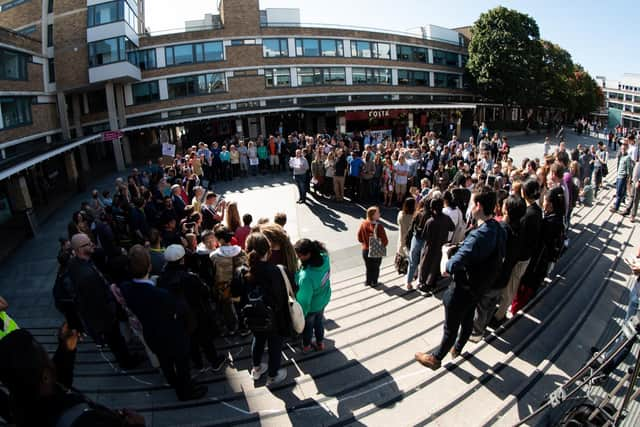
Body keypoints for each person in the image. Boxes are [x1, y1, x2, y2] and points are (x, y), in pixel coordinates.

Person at [415, 187, 506, 369]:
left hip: (462, 288)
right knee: (467, 320)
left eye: (473, 203)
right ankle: (457, 349)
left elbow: (448, 268)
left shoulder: (478, 237)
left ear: (478, 206)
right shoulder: (499, 228)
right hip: (479, 288)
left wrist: (444, 253)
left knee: (451, 326)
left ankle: (436, 357)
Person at [0, 322, 146, 426]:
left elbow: (56, 387)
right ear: (45, 376)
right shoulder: (87, 421)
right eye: (42, 352)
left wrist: (65, 349)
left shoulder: (20, 403)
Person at [119, 245, 207, 401]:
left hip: (152, 334)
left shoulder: (126, 288)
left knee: (165, 362)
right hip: (172, 336)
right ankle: (185, 392)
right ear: (150, 266)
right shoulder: (161, 294)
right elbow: (179, 310)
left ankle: (174, 383)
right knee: (181, 364)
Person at [66, 233, 140, 370]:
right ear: (79, 249)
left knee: (115, 340)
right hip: (104, 316)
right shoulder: (86, 275)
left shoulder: (76, 262)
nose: (92, 244)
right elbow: (97, 301)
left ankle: (125, 358)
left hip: (101, 310)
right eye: (88, 244)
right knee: (116, 340)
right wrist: (112, 310)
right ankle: (127, 362)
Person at [471, 195, 526, 341]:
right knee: (491, 303)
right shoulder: (520, 229)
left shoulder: (501, 229)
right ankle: (483, 326)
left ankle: (476, 332)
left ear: (507, 209)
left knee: (482, 305)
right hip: (505, 275)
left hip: (492, 276)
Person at [244, 232, 292, 386]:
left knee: (257, 340)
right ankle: (273, 375)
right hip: (273, 317)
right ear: (268, 250)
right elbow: (280, 298)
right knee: (274, 346)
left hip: (253, 317)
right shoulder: (275, 270)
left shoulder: (243, 271)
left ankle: (256, 369)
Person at [294, 239, 331, 353]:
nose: (298, 257)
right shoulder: (325, 257)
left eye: (299, 255)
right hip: (323, 299)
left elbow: (304, 300)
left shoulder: (306, 276)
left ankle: (306, 347)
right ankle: (320, 343)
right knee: (319, 322)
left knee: (308, 327)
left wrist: (302, 314)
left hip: (311, 307)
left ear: (308, 254)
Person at [210, 225, 248, 336]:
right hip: (239, 284)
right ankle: (244, 327)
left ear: (220, 239)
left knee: (227, 308)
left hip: (223, 286)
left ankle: (232, 328)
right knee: (240, 305)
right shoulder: (240, 251)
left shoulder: (214, 255)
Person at [417, 198, 455, 292]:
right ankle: (432, 283)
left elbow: (424, 236)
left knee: (425, 265)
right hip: (441, 245)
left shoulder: (430, 221)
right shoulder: (446, 218)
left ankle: (424, 284)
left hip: (430, 246)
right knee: (436, 265)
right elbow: (452, 228)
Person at [357, 206, 389, 287]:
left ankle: (368, 281)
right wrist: (381, 246)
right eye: (378, 213)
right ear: (373, 215)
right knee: (376, 267)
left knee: (368, 267)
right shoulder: (379, 226)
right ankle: (374, 282)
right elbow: (385, 241)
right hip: (376, 249)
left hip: (365, 250)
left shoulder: (363, 223)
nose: (379, 214)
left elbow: (359, 238)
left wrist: (366, 242)